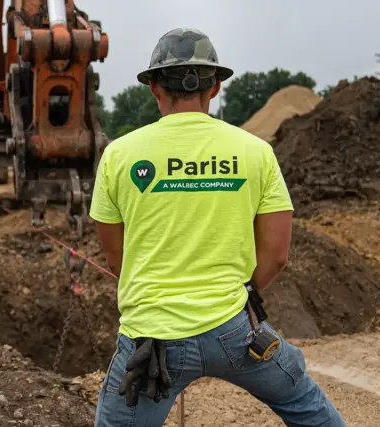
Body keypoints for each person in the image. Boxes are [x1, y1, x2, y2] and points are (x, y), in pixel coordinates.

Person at [89, 28, 346, 426]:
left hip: (151, 341)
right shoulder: (255, 152)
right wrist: (235, 296)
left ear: (154, 87)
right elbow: (277, 255)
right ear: (216, 87)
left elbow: (116, 255)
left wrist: (158, 295)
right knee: (312, 412)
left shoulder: (119, 155)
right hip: (237, 334)